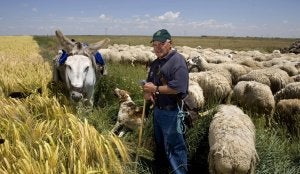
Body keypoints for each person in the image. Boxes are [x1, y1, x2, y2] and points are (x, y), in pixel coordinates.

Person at [143, 29, 189, 174]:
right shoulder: (155, 63)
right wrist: (147, 92)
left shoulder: (177, 61)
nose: (158, 47)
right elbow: (150, 84)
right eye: (155, 44)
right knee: (161, 144)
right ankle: (162, 169)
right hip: (158, 110)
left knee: (174, 146)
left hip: (172, 111)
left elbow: (178, 87)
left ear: (170, 43)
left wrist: (155, 88)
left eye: (161, 44)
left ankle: (179, 172)